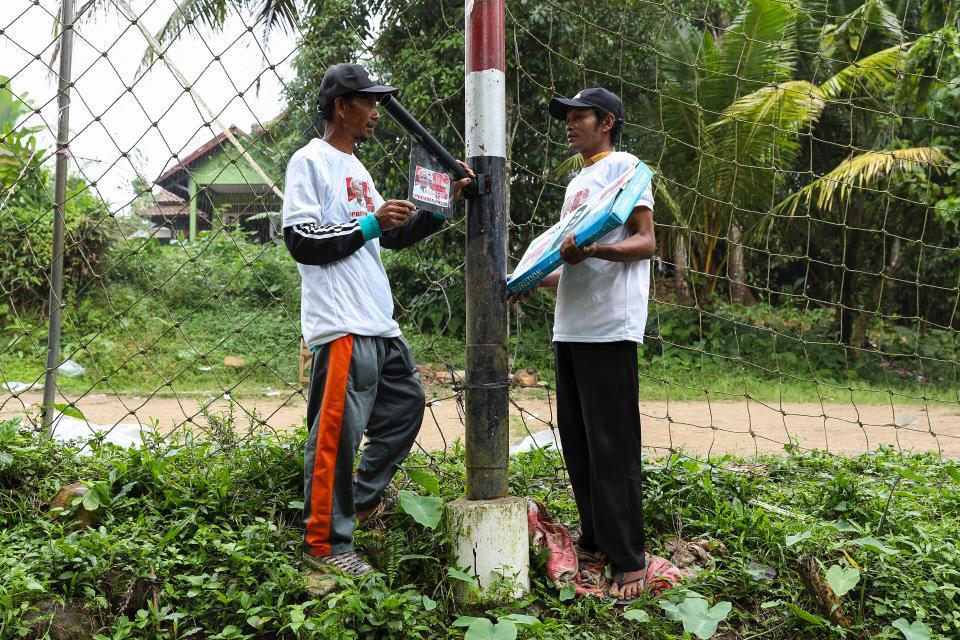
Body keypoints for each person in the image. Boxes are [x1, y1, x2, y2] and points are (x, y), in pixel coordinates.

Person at [282, 63, 473, 576]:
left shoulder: (358, 170)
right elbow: (301, 241)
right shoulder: (310, 162)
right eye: (367, 103)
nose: (374, 113)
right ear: (341, 107)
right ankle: (324, 548)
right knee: (336, 435)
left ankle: (355, 502)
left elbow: (388, 239)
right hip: (342, 323)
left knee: (407, 407)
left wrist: (435, 211)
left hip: (378, 321)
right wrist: (369, 221)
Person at [514, 87, 656, 601]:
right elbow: (571, 264)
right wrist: (530, 278)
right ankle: (596, 538)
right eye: (567, 117)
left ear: (608, 122)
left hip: (608, 327)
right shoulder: (577, 182)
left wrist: (594, 248)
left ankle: (630, 558)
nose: (570, 124)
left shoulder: (628, 168)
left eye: (580, 117)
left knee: (613, 445)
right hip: (570, 326)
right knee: (578, 441)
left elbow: (644, 241)